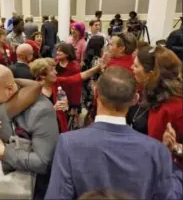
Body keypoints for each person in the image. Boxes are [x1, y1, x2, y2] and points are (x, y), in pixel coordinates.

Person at [44, 67, 183, 199]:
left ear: (96, 92)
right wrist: (175, 163)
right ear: (135, 99)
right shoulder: (158, 151)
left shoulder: (68, 143)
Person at [0, 64, 59, 199]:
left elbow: (43, 163)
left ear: (10, 89)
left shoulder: (41, 110)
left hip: (31, 189)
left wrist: (5, 153)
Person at [127, 46, 183, 142]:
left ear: (151, 74)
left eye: (136, 66)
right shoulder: (145, 90)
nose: (131, 67)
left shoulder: (173, 108)